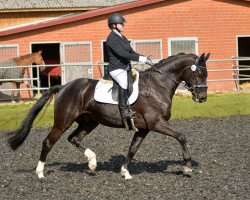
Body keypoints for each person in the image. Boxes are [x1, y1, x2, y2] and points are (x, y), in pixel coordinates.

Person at [105, 12, 150, 123]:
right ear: (114, 25)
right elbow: (121, 54)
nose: (123, 25)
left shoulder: (122, 37)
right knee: (124, 83)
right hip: (116, 69)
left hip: (125, 67)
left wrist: (142, 57)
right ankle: (124, 110)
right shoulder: (111, 39)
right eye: (121, 24)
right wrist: (138, 58)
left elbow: (130, 51)